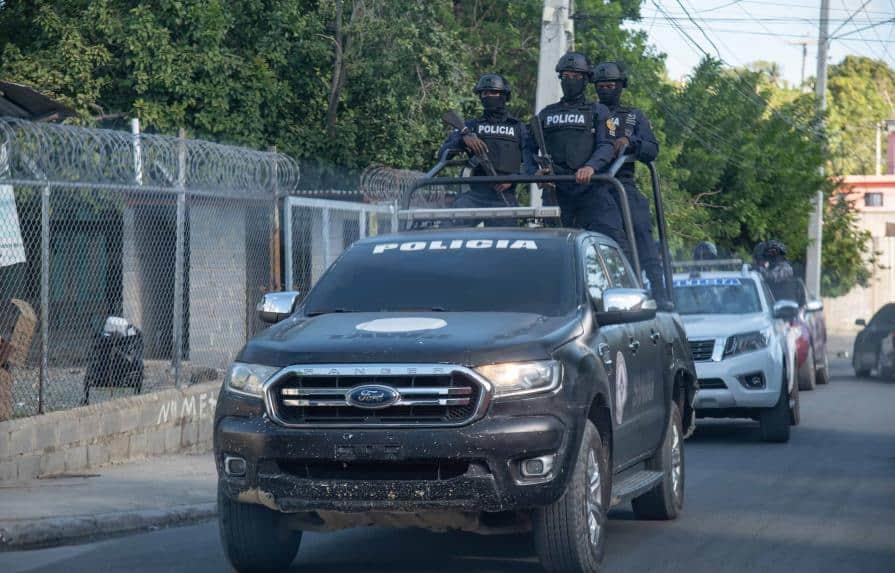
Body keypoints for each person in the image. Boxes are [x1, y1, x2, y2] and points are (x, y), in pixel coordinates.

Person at [527, 52, 628, 251]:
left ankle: (631, 283)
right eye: (566, 76)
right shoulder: (547, 114)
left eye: (576, 76)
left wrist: (591, 166)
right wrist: (534, 173)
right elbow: (527, 147)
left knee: (617, 243)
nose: (570, 80)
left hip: (592, 188)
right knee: (554, 250)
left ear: (586, 79)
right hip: (556, 190)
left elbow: (607, 145)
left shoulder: (599, 111)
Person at [592, 60, 665, 302]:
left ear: (621, 86)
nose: (605, 89)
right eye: (600, 85)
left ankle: (659, 291)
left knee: (642, 229)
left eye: (610, 84)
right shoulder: (588, 113)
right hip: (591, 187)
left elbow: (652, 149)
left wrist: (631, 142)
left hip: (623, 183)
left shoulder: (634, 116)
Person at [438, 73, 531, 225]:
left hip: (504, 196)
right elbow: (443, 154)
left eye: (493, 92)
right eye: (484, 93)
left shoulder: (518, 128)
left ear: (503, 96)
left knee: (506, 242)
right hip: (476, 195)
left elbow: (530, 162)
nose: (488, 96)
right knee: (449, 226)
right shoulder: (471, 127)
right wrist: (463, 138)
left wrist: (513, 178)